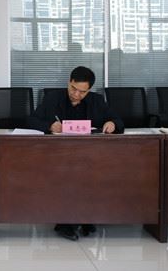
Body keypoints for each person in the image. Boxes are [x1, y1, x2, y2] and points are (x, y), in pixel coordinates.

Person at [26, 66, 123, 241]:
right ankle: (66, 222)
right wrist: (49, 125)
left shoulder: (97, 101)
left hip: (89, 155)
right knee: (68, 174)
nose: (76, 94)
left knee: (93, 174)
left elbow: (118, 120)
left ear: (89, 90)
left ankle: (84, 217)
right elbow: (31, 121)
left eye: (82, 92)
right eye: (73, 89)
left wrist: (112, 124)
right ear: (69, 82)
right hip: (58, 155)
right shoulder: (52, 98)